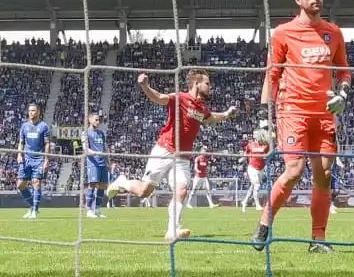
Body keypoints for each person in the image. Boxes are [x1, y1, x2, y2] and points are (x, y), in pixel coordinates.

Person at [251, 0, 351, 254]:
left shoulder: (333, 33)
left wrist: (342, 94)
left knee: (325, 175)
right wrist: (263, 116)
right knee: (294, 171)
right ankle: (264, 223)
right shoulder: (283, 33)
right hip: (293, 111)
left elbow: (344, 71)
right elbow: (272, 74)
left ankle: (317, 241)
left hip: (325, 115)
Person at [105, 71, 237, 243]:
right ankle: (121, 181)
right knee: (144, 192)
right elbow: (159, 97)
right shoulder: (179, 98)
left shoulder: (201, 107)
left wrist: (226, 114)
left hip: (183, 157)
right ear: (197, 84)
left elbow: (211, 118)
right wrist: (145, 86)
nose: (209, 87)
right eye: (207, 83)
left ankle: (172, 230)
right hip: (164, 151)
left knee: (181, 190)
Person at [17, 103, 51, 219]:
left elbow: (47, 144)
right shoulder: (24, 126)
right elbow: (21, 142)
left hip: (39, 159)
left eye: (33, 110)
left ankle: (35, 211)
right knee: (20, 185)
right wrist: (19, 155)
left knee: (36, 182)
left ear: (38, 112)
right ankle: (33, 206)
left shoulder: (43, 126)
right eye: (30, 110)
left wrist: (46, 160)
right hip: (26, 159)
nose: (31, 112)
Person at [83, 112, 109, 219]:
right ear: (90, 120)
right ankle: (89, 209)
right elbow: (85, 148)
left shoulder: (101, 133)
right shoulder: (85, 133)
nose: (98, 122)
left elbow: (105, 148)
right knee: (92, 185)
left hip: (102, 163)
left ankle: (97, 209)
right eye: (96, 120)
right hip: (93, 163)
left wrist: (109, 162)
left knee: (102, 186)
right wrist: (95, 153)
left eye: (99, 120)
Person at [240, 132, 270, 212]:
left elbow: (267, 154)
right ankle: (257, 205)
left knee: (253, 186)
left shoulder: (265, 145)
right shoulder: (250, 145)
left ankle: (244, 201)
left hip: (261, 168)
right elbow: (246, 153)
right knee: (257, 185)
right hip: (252, 167)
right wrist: (242, 159)